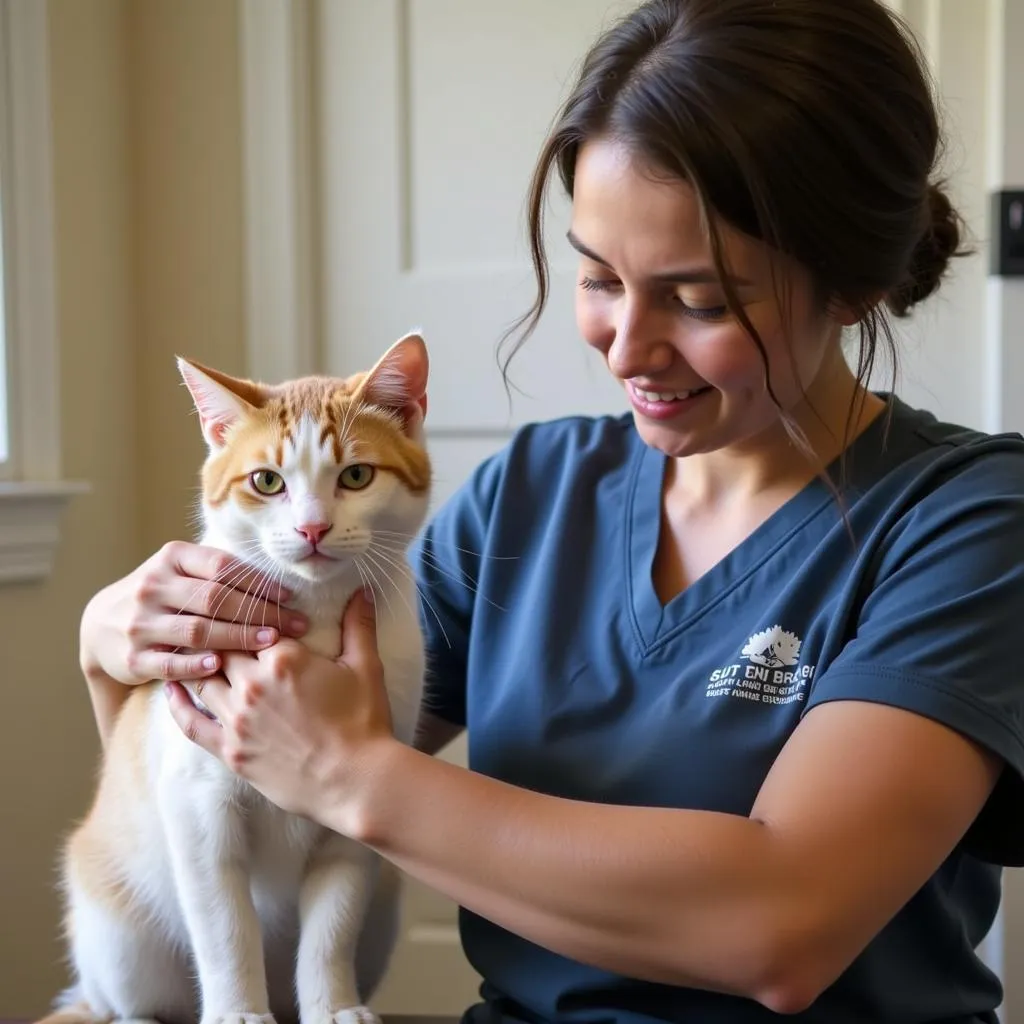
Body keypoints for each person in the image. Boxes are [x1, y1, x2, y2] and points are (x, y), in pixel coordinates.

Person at [77, 0, 1024, 1021]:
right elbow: (244, 771)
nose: (625, 348)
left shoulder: (968, 521)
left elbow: (780, 927)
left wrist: (360, 779)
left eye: (698, 300)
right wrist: (112, 647)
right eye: (596, 276)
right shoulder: (530, 494)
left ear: (849, 284)